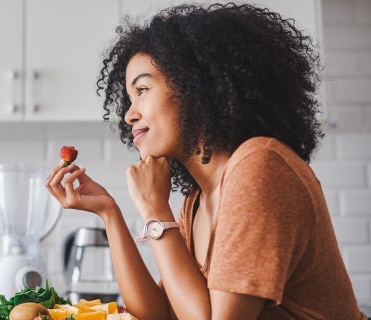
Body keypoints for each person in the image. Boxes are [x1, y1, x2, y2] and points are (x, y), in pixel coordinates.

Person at [45, 3, 367, 319]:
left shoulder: (260, 165)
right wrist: (109, 212)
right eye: (129, 99)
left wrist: (156, 211)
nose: (130, 114)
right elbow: (161, 311)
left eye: (142, 89)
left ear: (197, 88)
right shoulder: (196, 201)